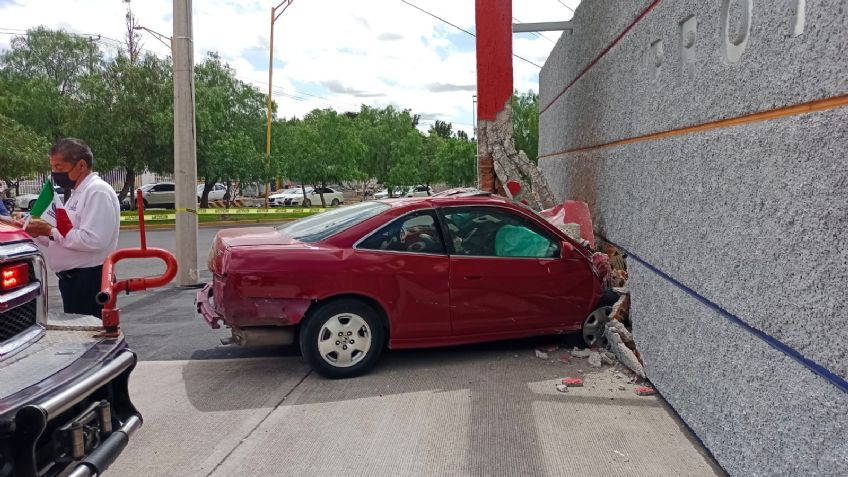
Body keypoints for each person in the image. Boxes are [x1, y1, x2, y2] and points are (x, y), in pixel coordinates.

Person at [22, 138, 120, 317]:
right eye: (52, 168)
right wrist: (35, 230)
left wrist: (49, 231)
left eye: (59, 168)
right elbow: (63, 236)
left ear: (81, 165)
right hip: (74, 281)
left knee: (92, 338)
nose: (54, 173)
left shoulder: (97, 192)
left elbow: (93, 241)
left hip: (90, 280)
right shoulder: (77, 193)